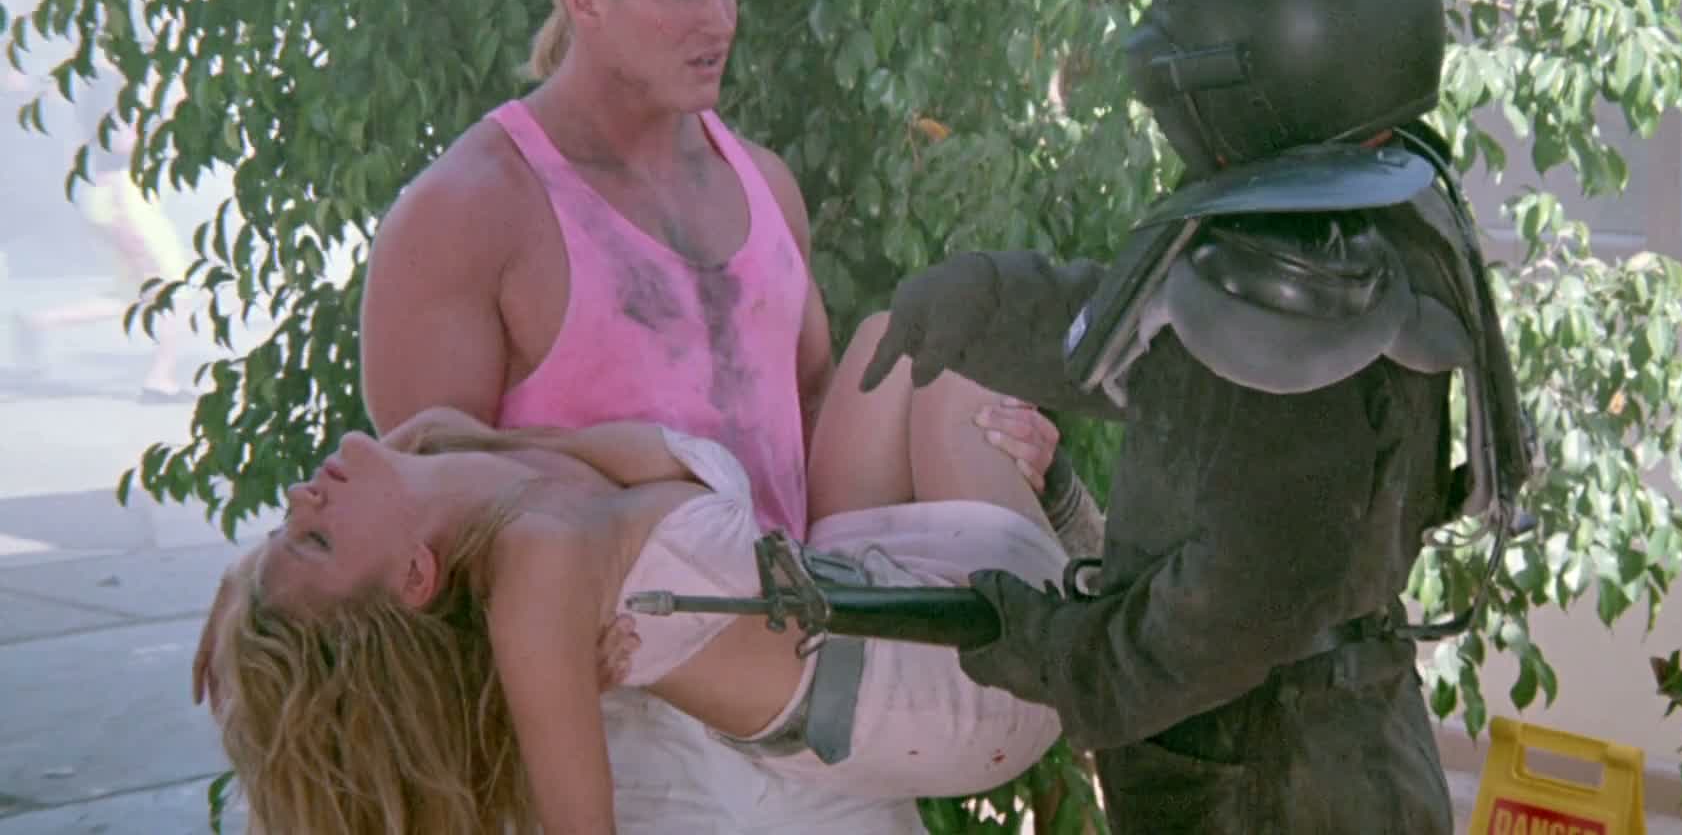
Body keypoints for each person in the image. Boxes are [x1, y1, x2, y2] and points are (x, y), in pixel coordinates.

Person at [204, 0, 1067, 834]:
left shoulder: (761, 179)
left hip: (810, 671)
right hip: (634, 721)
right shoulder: (469, 212)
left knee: (925, 347)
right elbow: (421, 529)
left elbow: (815, 412)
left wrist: (981, 453)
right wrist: (257, 597)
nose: (719, 22)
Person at [857, 0, 1535, 833]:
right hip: (1332, 744)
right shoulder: (1373, 215)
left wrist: (1051, 649)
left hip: (1269, 783)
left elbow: (1232, 609)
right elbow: (1165, 348)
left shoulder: (1297, 295)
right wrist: (989, 308)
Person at [204, 312, 1069, 835]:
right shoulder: (535, 590)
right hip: (975, 679)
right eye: (314, 541)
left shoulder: (456, 457)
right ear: (414, 577)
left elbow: (360, 538)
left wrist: (242, 600)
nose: (302, 499)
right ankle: (1094, 569)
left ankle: (1069, 533)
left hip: (871, 588)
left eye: (283, 524)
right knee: (966, 346)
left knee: (903, 337)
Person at [12, 78, 192, 401]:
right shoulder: (114, 107)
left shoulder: (100, 105)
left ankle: (40, 322)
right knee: (173, 295)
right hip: (125, 199)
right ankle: (160, 379)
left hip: (109, 196)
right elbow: (124, 146)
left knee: (133, 295)